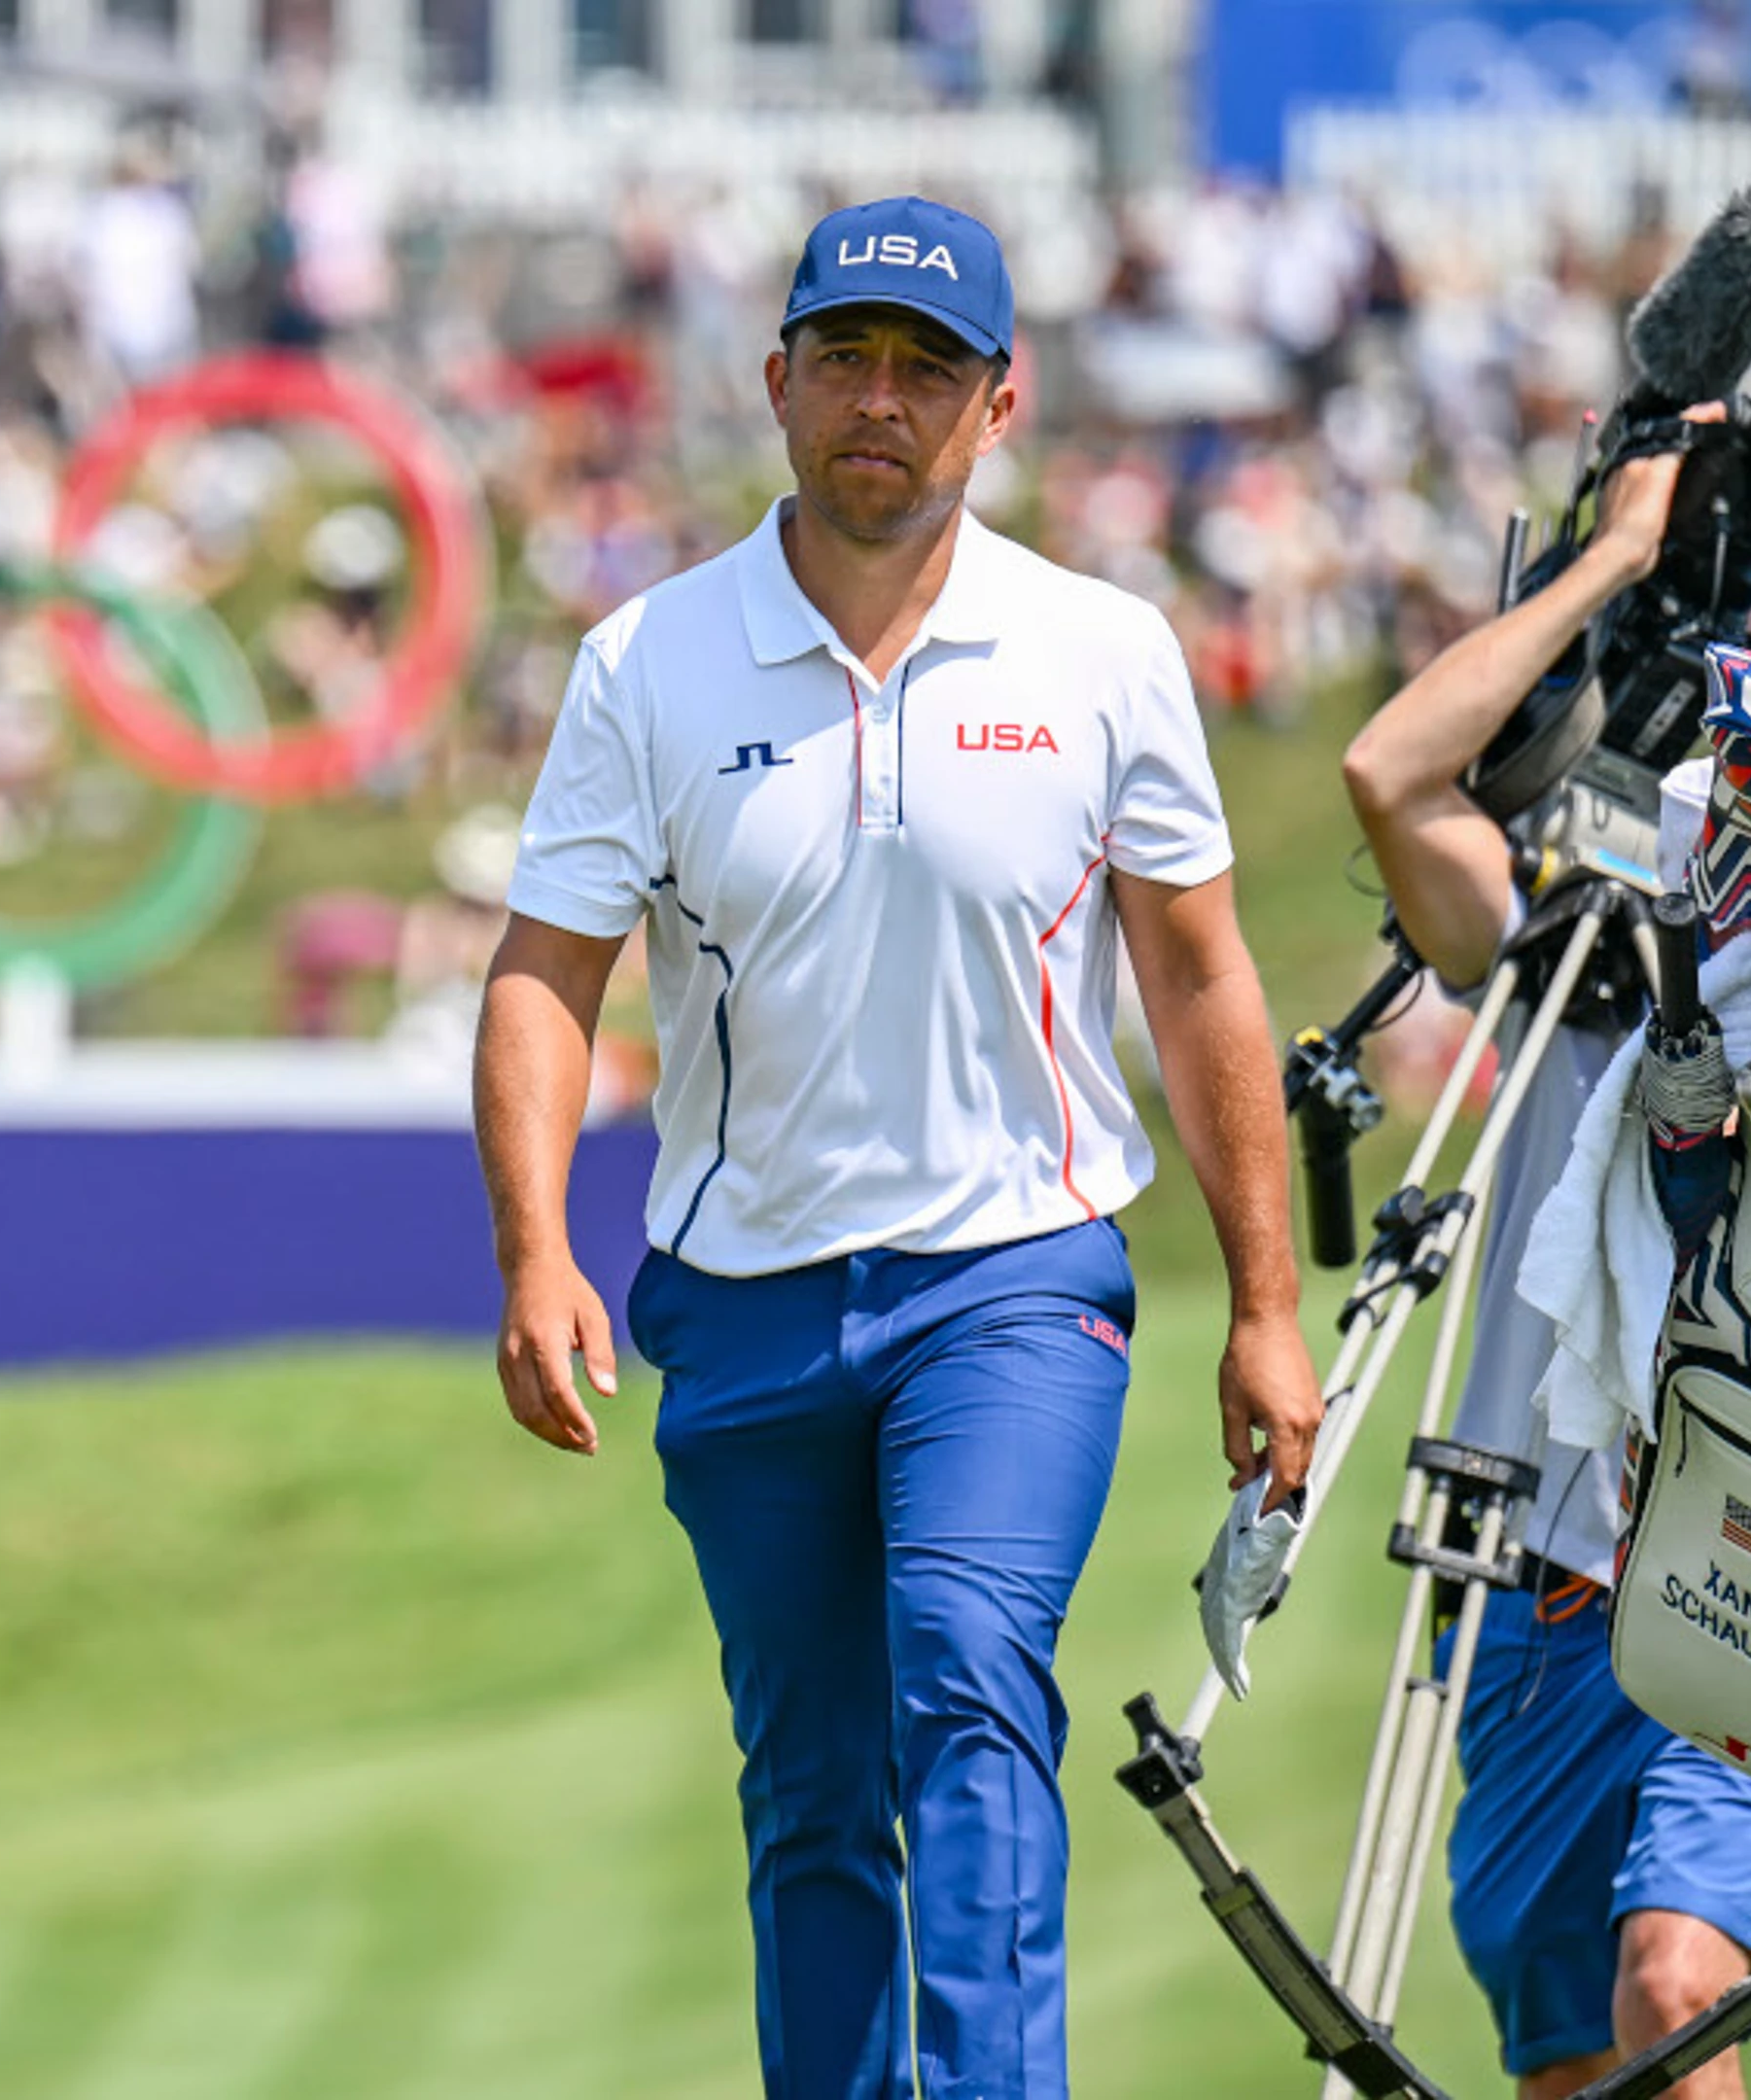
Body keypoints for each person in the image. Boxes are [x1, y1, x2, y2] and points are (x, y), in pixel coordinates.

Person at [472, 194, 1321, 2100]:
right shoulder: (647, 665)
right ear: (775, 381)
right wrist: (535, 1253)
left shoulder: (1100, 651)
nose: (882, 400)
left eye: (927, 369)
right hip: (745, 1301)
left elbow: (1200, 985)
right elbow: (544, 979)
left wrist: (1267, 1304)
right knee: (812, 1794)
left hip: (1011, 1280)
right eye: (845, 358)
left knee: (966, 1677)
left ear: (1000, 405)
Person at [1339, 420, 1751, 2099]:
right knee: (1569, 2059)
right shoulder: (1569, 922)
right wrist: (1615, 560)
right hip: (1543, 1585)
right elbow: (1390, 777)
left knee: (1668, 1983)